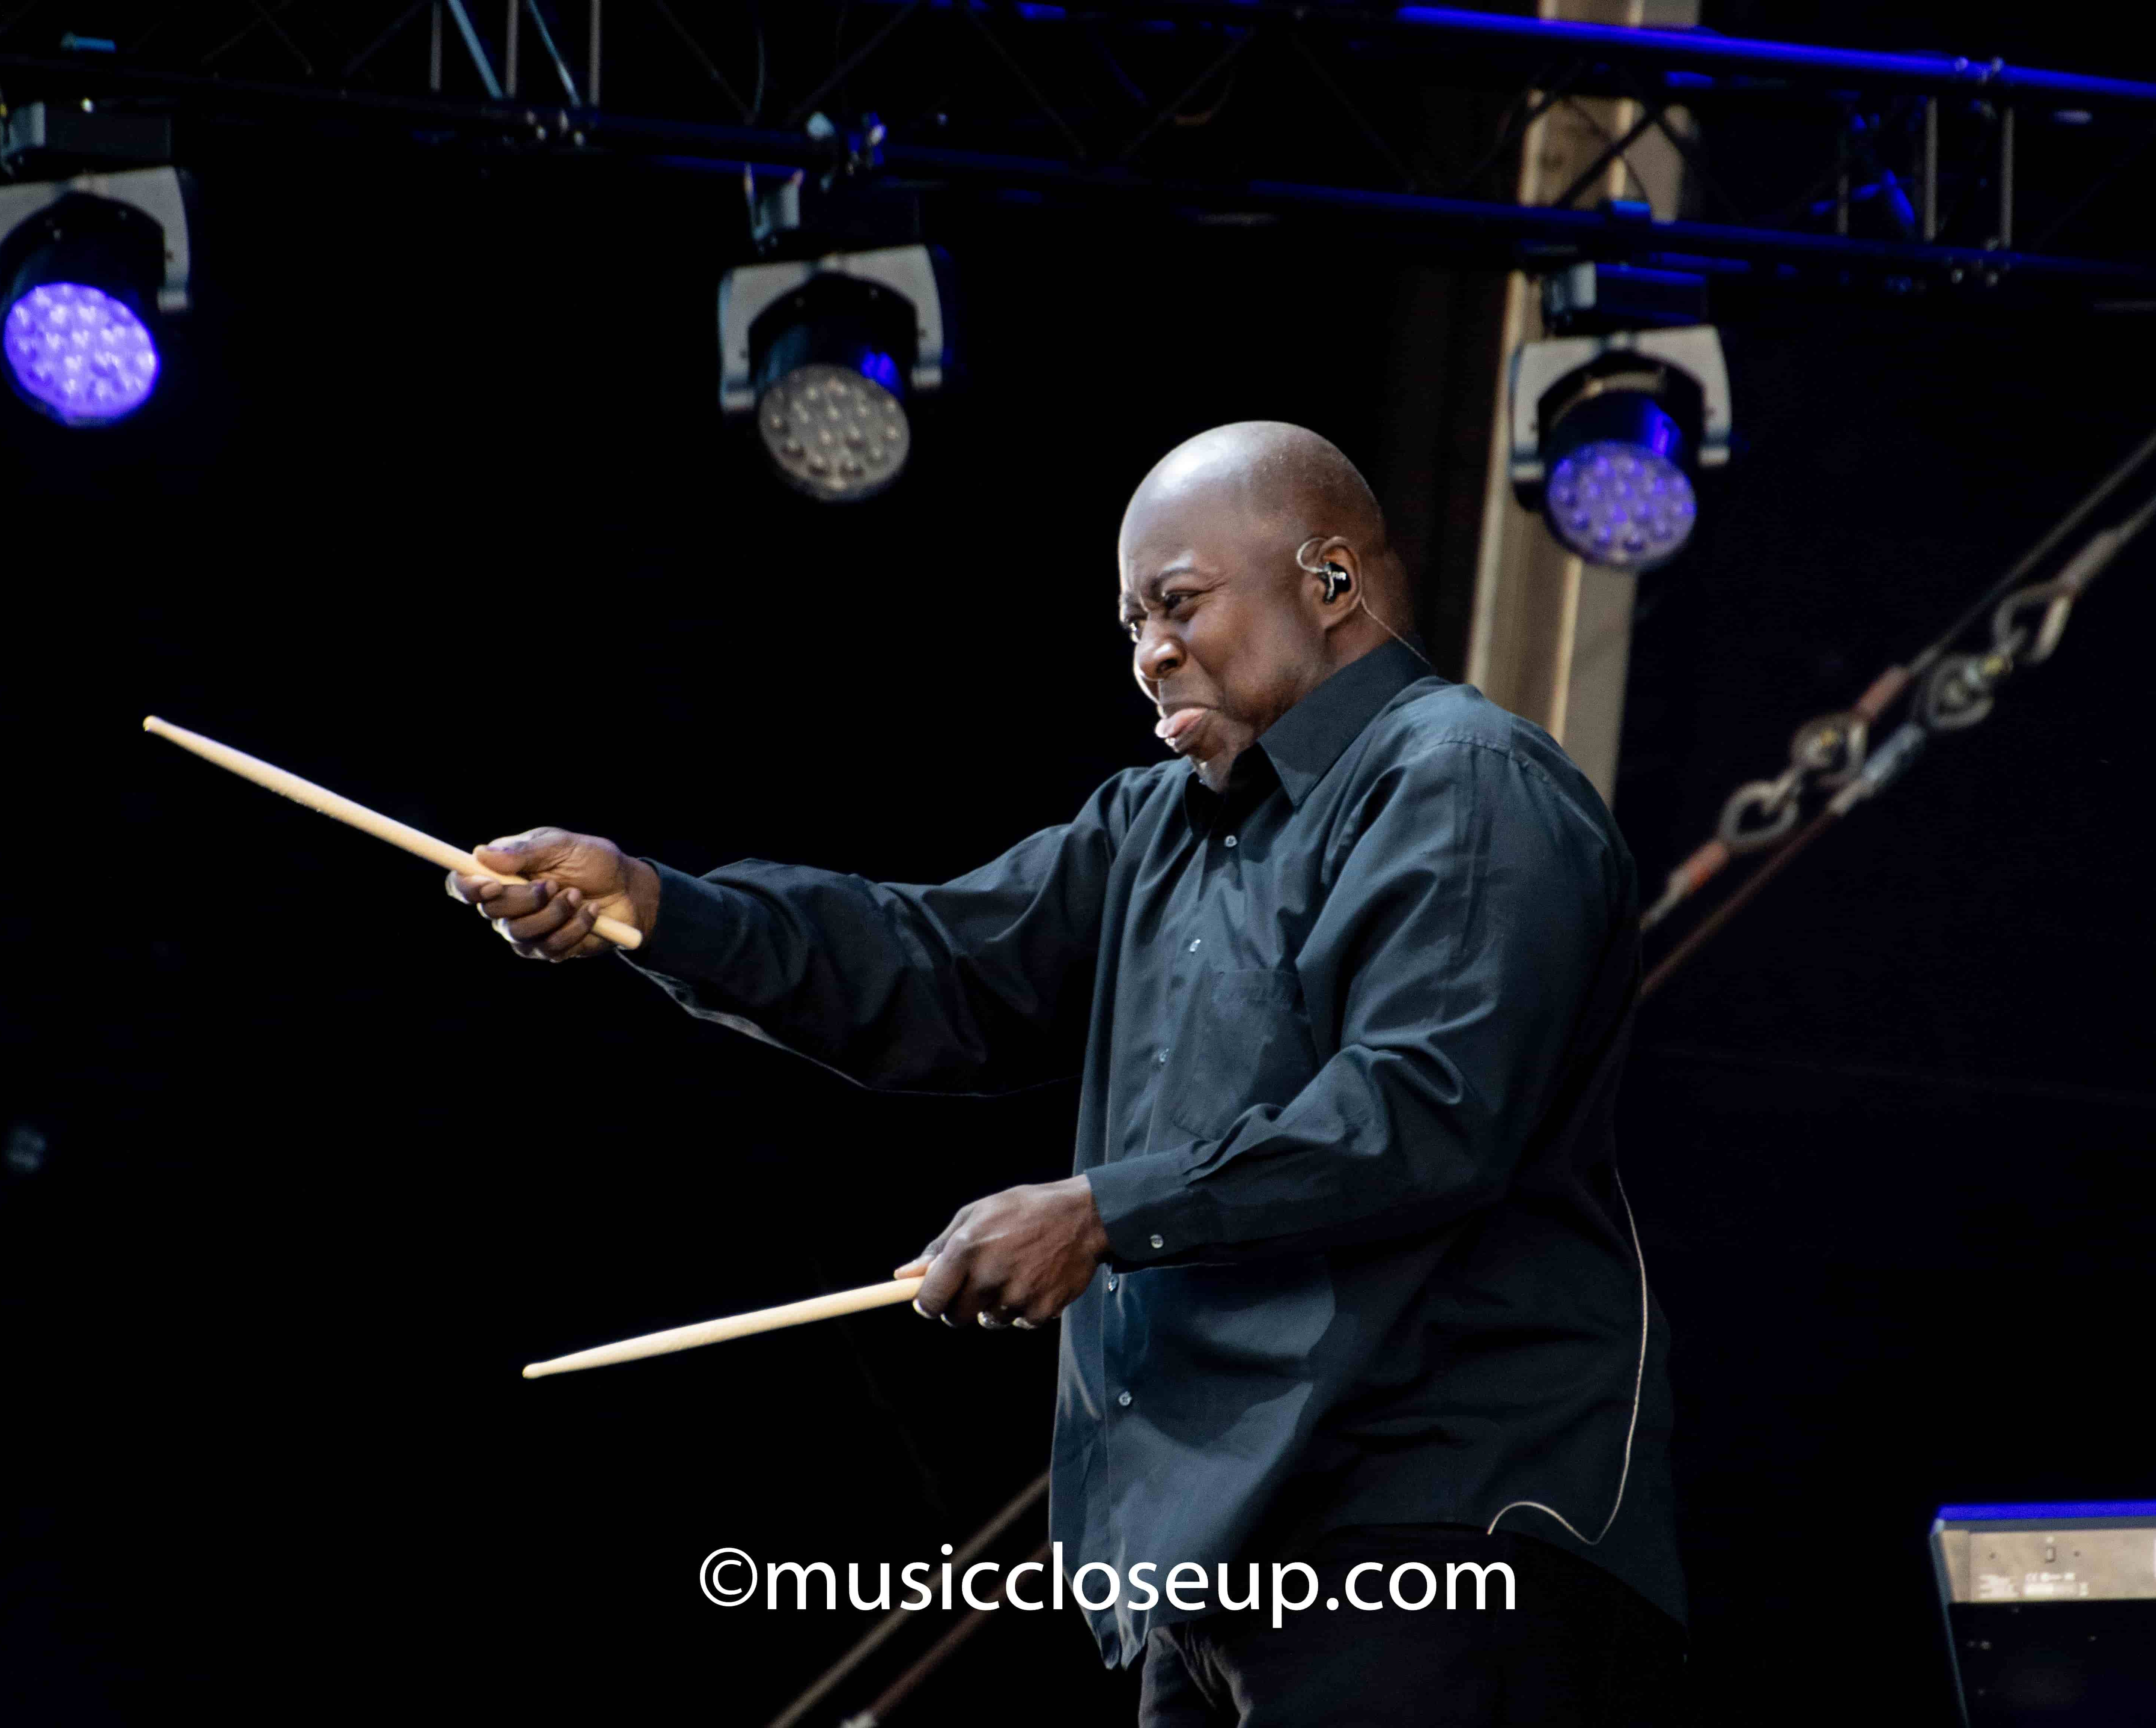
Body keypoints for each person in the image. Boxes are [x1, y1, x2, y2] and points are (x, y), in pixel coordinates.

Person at [450, 423, 1687, 1724]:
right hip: (1213, 1557)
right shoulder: (1151, 826)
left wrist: (1101, 1209)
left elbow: (1426, 1111)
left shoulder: (1463, 780)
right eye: (1131, 620)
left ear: (1331, 584)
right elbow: (936, 969)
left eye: (1180, 603)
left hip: (1439, 1517)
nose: (1149, 649)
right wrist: (660, 906)